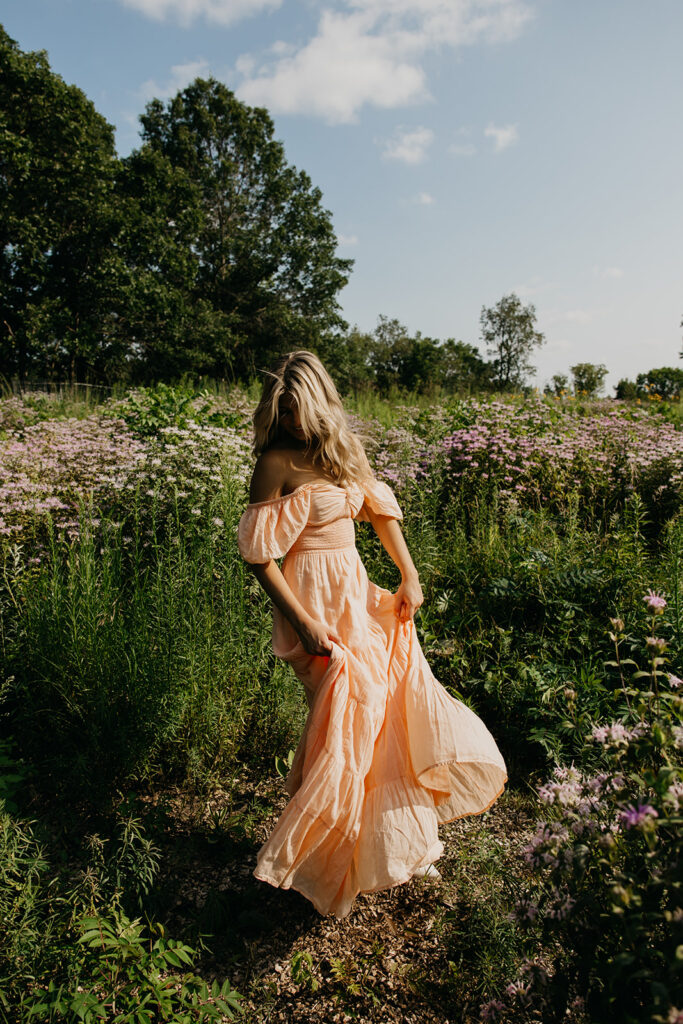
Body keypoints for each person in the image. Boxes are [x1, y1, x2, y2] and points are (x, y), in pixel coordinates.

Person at [237, 350, 508, 919]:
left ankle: (390, 842)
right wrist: (304, 622)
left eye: (297, 408)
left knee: (379, 711)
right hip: (309, 603)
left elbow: (379, 514)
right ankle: (324, 855)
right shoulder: (275, 462)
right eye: (281, 409)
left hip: (355, 594)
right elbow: (261, 557)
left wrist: (408, 574)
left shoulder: (340, 451)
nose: (289, 419)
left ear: (320, 403)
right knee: (348, 714)